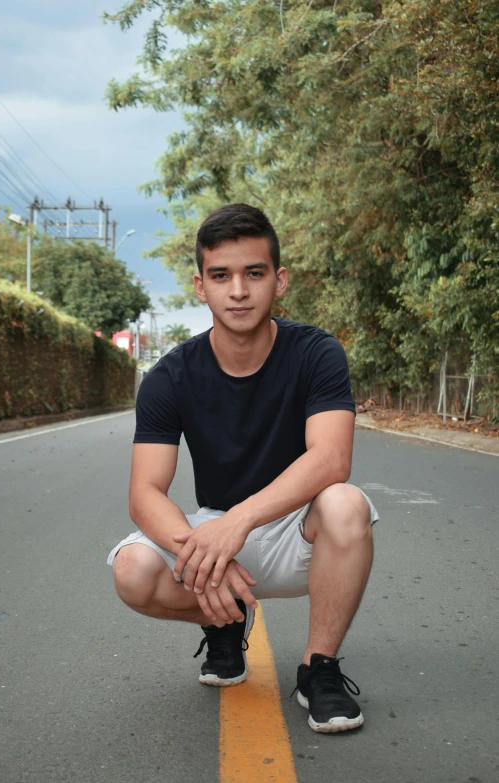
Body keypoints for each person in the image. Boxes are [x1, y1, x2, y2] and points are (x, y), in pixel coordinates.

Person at [108, 203, 378, 734]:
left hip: (298, 532)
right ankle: (224, 618)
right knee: (131, 571)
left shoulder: (316, 353)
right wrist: (200, 549)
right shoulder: (169, 377)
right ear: (200, 286)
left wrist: (238, 523)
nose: (238, 290)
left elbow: (331, 458)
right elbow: (145, 492)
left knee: (347, 502)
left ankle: (318, 669)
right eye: (221, 275)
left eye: (254, 273)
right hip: (215, 530)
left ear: (278, 281)